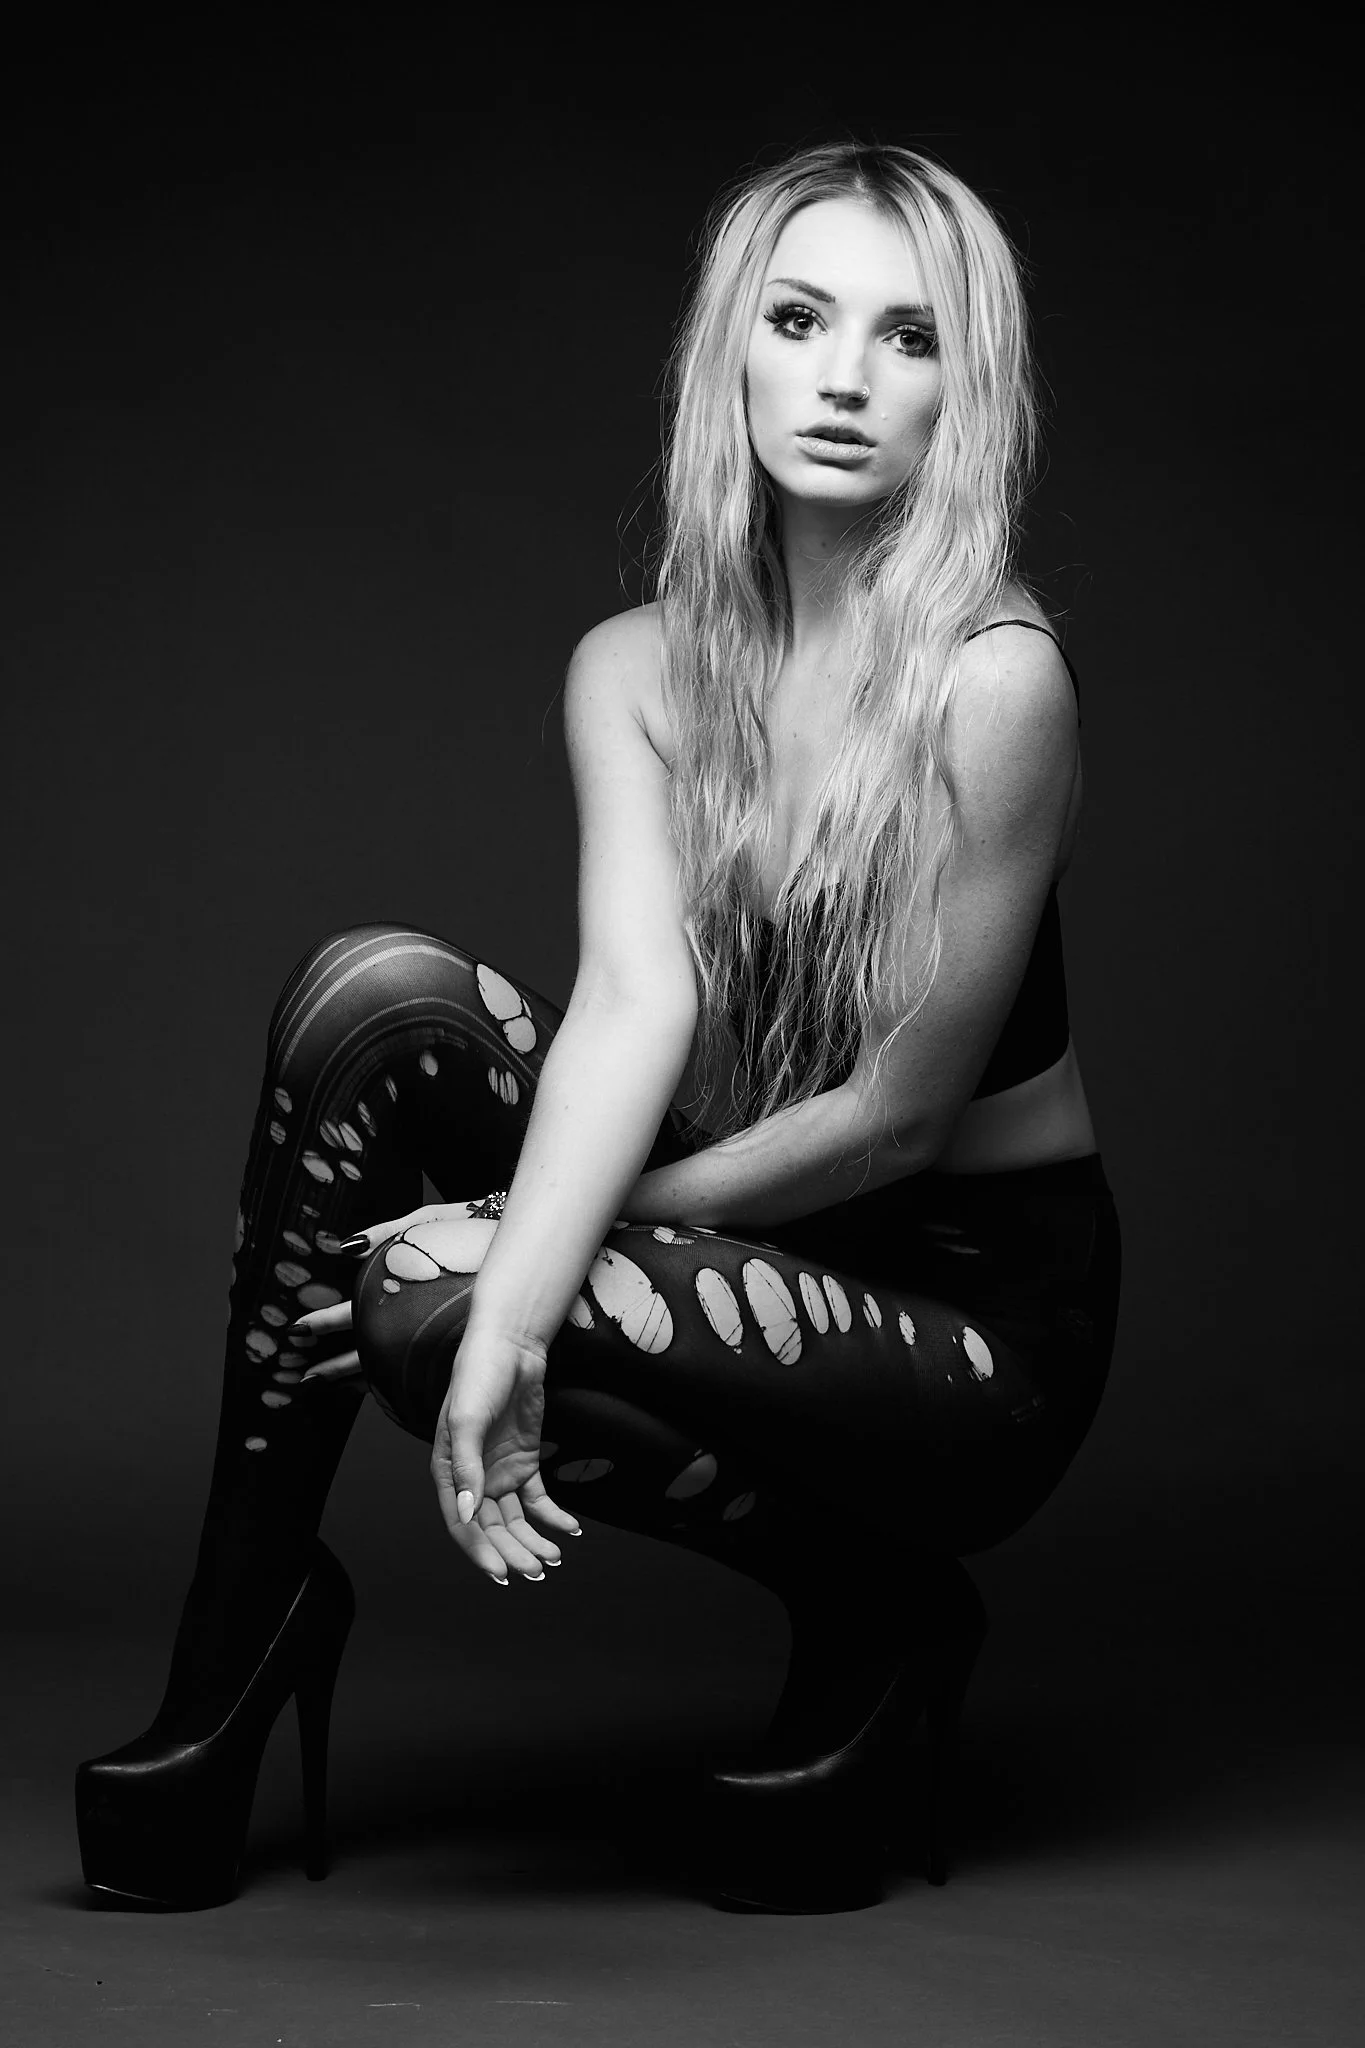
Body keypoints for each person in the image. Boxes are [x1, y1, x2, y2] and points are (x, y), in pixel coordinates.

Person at [76, 140, 1121, 1916]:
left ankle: (881, 1603)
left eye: (910, 337)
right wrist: (521, 1272)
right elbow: (640, 1010)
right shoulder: (634, 668)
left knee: (448, 1298)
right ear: (734, 352)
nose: (848, 379)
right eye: (799, 321)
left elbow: (894, 1121)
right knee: (370, 999)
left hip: (961, 1311)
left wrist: (524, 1268)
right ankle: (234, 1647)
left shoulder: (991, 681)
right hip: (732, 1217)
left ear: (972, 387)